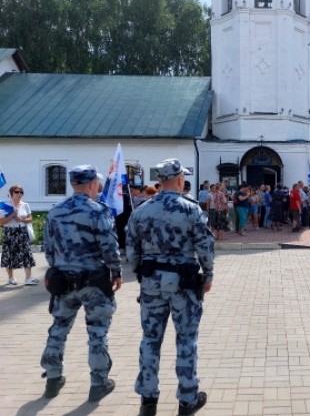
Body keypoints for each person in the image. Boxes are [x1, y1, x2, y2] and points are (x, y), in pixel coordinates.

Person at [126, 158, 214, 416]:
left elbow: (131, 251)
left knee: (150, 340)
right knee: (186, 340)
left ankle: (148, 400)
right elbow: (205, 247)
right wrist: (208, 274)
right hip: (184, 286)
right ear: (178, 180)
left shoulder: (141, 211)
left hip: (151, 284)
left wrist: (141, 274)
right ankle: (187, 399)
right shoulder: (191, 209)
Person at [41, 165, 123, 401]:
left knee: (58, 330)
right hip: (93, 282)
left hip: (62, 282)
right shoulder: (98, 211)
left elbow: (48, 249)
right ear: (92, 184)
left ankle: (53, 379)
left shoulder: (55, 211)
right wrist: (116, 272)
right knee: (97, 333)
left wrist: (60, 268)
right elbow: (109, 248)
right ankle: (98, 383)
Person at [0, 185, 37, 285]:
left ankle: (28, 278)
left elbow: (30, 219)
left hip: (22, 231)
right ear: (11, 193)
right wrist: (12, 215)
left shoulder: (25, 205)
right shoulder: (5, 206)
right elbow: (1, 222)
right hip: (9, 231)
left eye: (21, 192)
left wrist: (21, 219)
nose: (19, 194)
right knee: (9, 254)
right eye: (17, 192)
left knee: (27, 253)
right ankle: (11, 278)